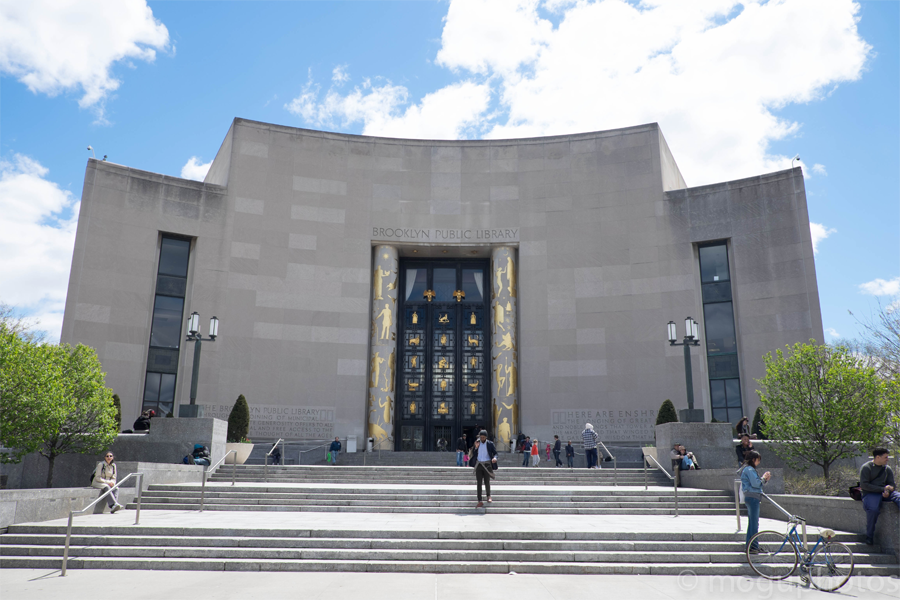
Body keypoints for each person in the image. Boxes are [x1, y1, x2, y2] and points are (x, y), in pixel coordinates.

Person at [860, 448, 900, 546]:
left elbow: (891, 484)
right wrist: (882, 489)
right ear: (878, 457)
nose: (887, 459)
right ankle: (869, 536)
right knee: (873, 510)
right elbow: (865, 485)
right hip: (870, 493)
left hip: (885, 493)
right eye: (885, 457)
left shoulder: (887, 469)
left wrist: (888, 490)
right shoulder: (866, 467)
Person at [740, 450, 771, 553]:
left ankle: (750, 546)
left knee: (752, 522)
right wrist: (764, 478)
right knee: (754, 523)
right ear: (753, 460)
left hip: (750, 497)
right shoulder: (749, 469)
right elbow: (756, 484)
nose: (758, 462)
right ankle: (753, 546)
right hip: (753, 497)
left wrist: (763, 480)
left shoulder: (747, 469)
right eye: (758, 460)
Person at [470, 430, 497, 507]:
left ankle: (488, 496)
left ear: (486, 437)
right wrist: (475, 447)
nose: (482, 439)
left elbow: (495, 453)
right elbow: (473, 454)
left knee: (487, 481)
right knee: (479, 482)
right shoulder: (477, 443)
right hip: (479, 464)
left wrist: (495, 458)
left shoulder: (490, 444)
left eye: (483, 437)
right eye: (481, 437)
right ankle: (479, 499)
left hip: (487, 464)